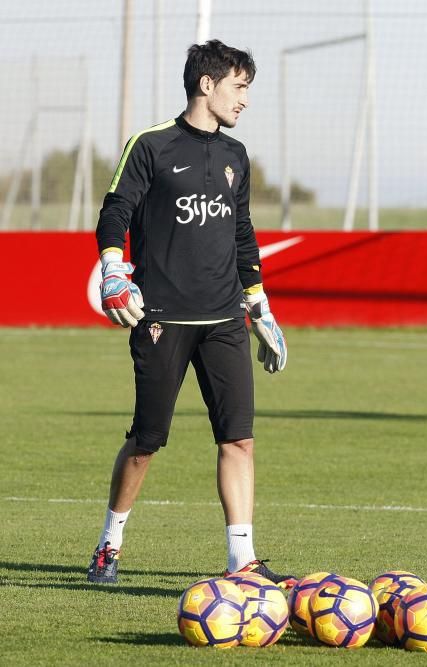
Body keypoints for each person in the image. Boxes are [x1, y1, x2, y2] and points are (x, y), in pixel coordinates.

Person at [87, 40, 293, 588]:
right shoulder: (150, 145)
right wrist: (113, 269)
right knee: (148, 440)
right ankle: (110, 543)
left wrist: (259, 306)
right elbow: (116, 212)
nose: (245, 99)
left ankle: (241, 558)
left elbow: (242, 235)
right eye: (240, 86)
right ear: (208, 84)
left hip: (225, 318)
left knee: (238, 438)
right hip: (162, 318)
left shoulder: (236, 156)